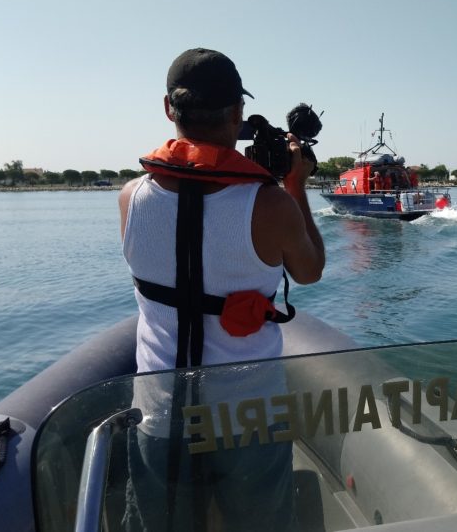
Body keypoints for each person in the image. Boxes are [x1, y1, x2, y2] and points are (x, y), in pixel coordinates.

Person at [118, 48, 325, 531]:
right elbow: (310, 270)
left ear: (169, 109)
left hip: (158, 411)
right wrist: (295, 186)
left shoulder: (131, 198)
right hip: (248, 417)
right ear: (237, 113)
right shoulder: (270, 205)